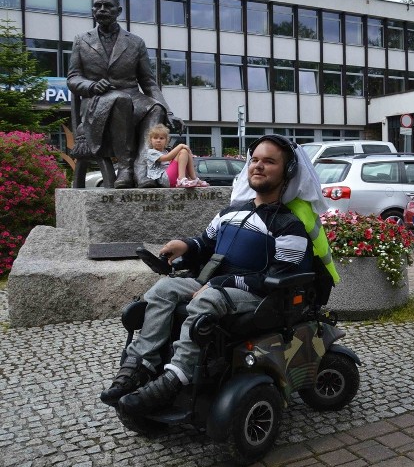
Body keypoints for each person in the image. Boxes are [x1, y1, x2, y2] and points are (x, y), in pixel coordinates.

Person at [101, 136, 320, 414]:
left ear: (287, 171)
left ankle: (177, 376)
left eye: (269, 161)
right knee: (163, 289)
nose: (259, 166)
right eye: (255, 160)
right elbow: (206, 243)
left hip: (258, 296)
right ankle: (140, 364)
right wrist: (186, 245)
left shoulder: (289, 227)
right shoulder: (229, 213)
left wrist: (220, 282)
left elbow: (273, 280)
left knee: (208, 299)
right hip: (218, 287)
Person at [67, 0, 181, 189]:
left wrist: (168, 111)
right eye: (97, 5)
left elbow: (148, 81)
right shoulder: (81, 40)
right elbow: (73, 78)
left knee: (155, 108)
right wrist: (92, 85)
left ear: (118, 10)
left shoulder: (135, 42)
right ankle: (125, 168)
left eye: (107, 6)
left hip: (132, 98)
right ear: (92, 9)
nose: (102, 9)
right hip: (97, 102)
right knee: (120, 100)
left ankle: (142, 168)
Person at [146, 124, 209, 188]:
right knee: (183, 151)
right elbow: (167, 158)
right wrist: (180, 145)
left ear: (166, 140)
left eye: (161, 138)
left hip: (172, 178)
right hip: (164, 179)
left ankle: (193, 178)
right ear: (151, 140)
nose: (158, 140)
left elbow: (175, 161)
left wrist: (188, 156)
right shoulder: (151, 152)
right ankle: (181, 179)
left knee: (185, 153)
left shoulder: (166, 152)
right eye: (155, 138)